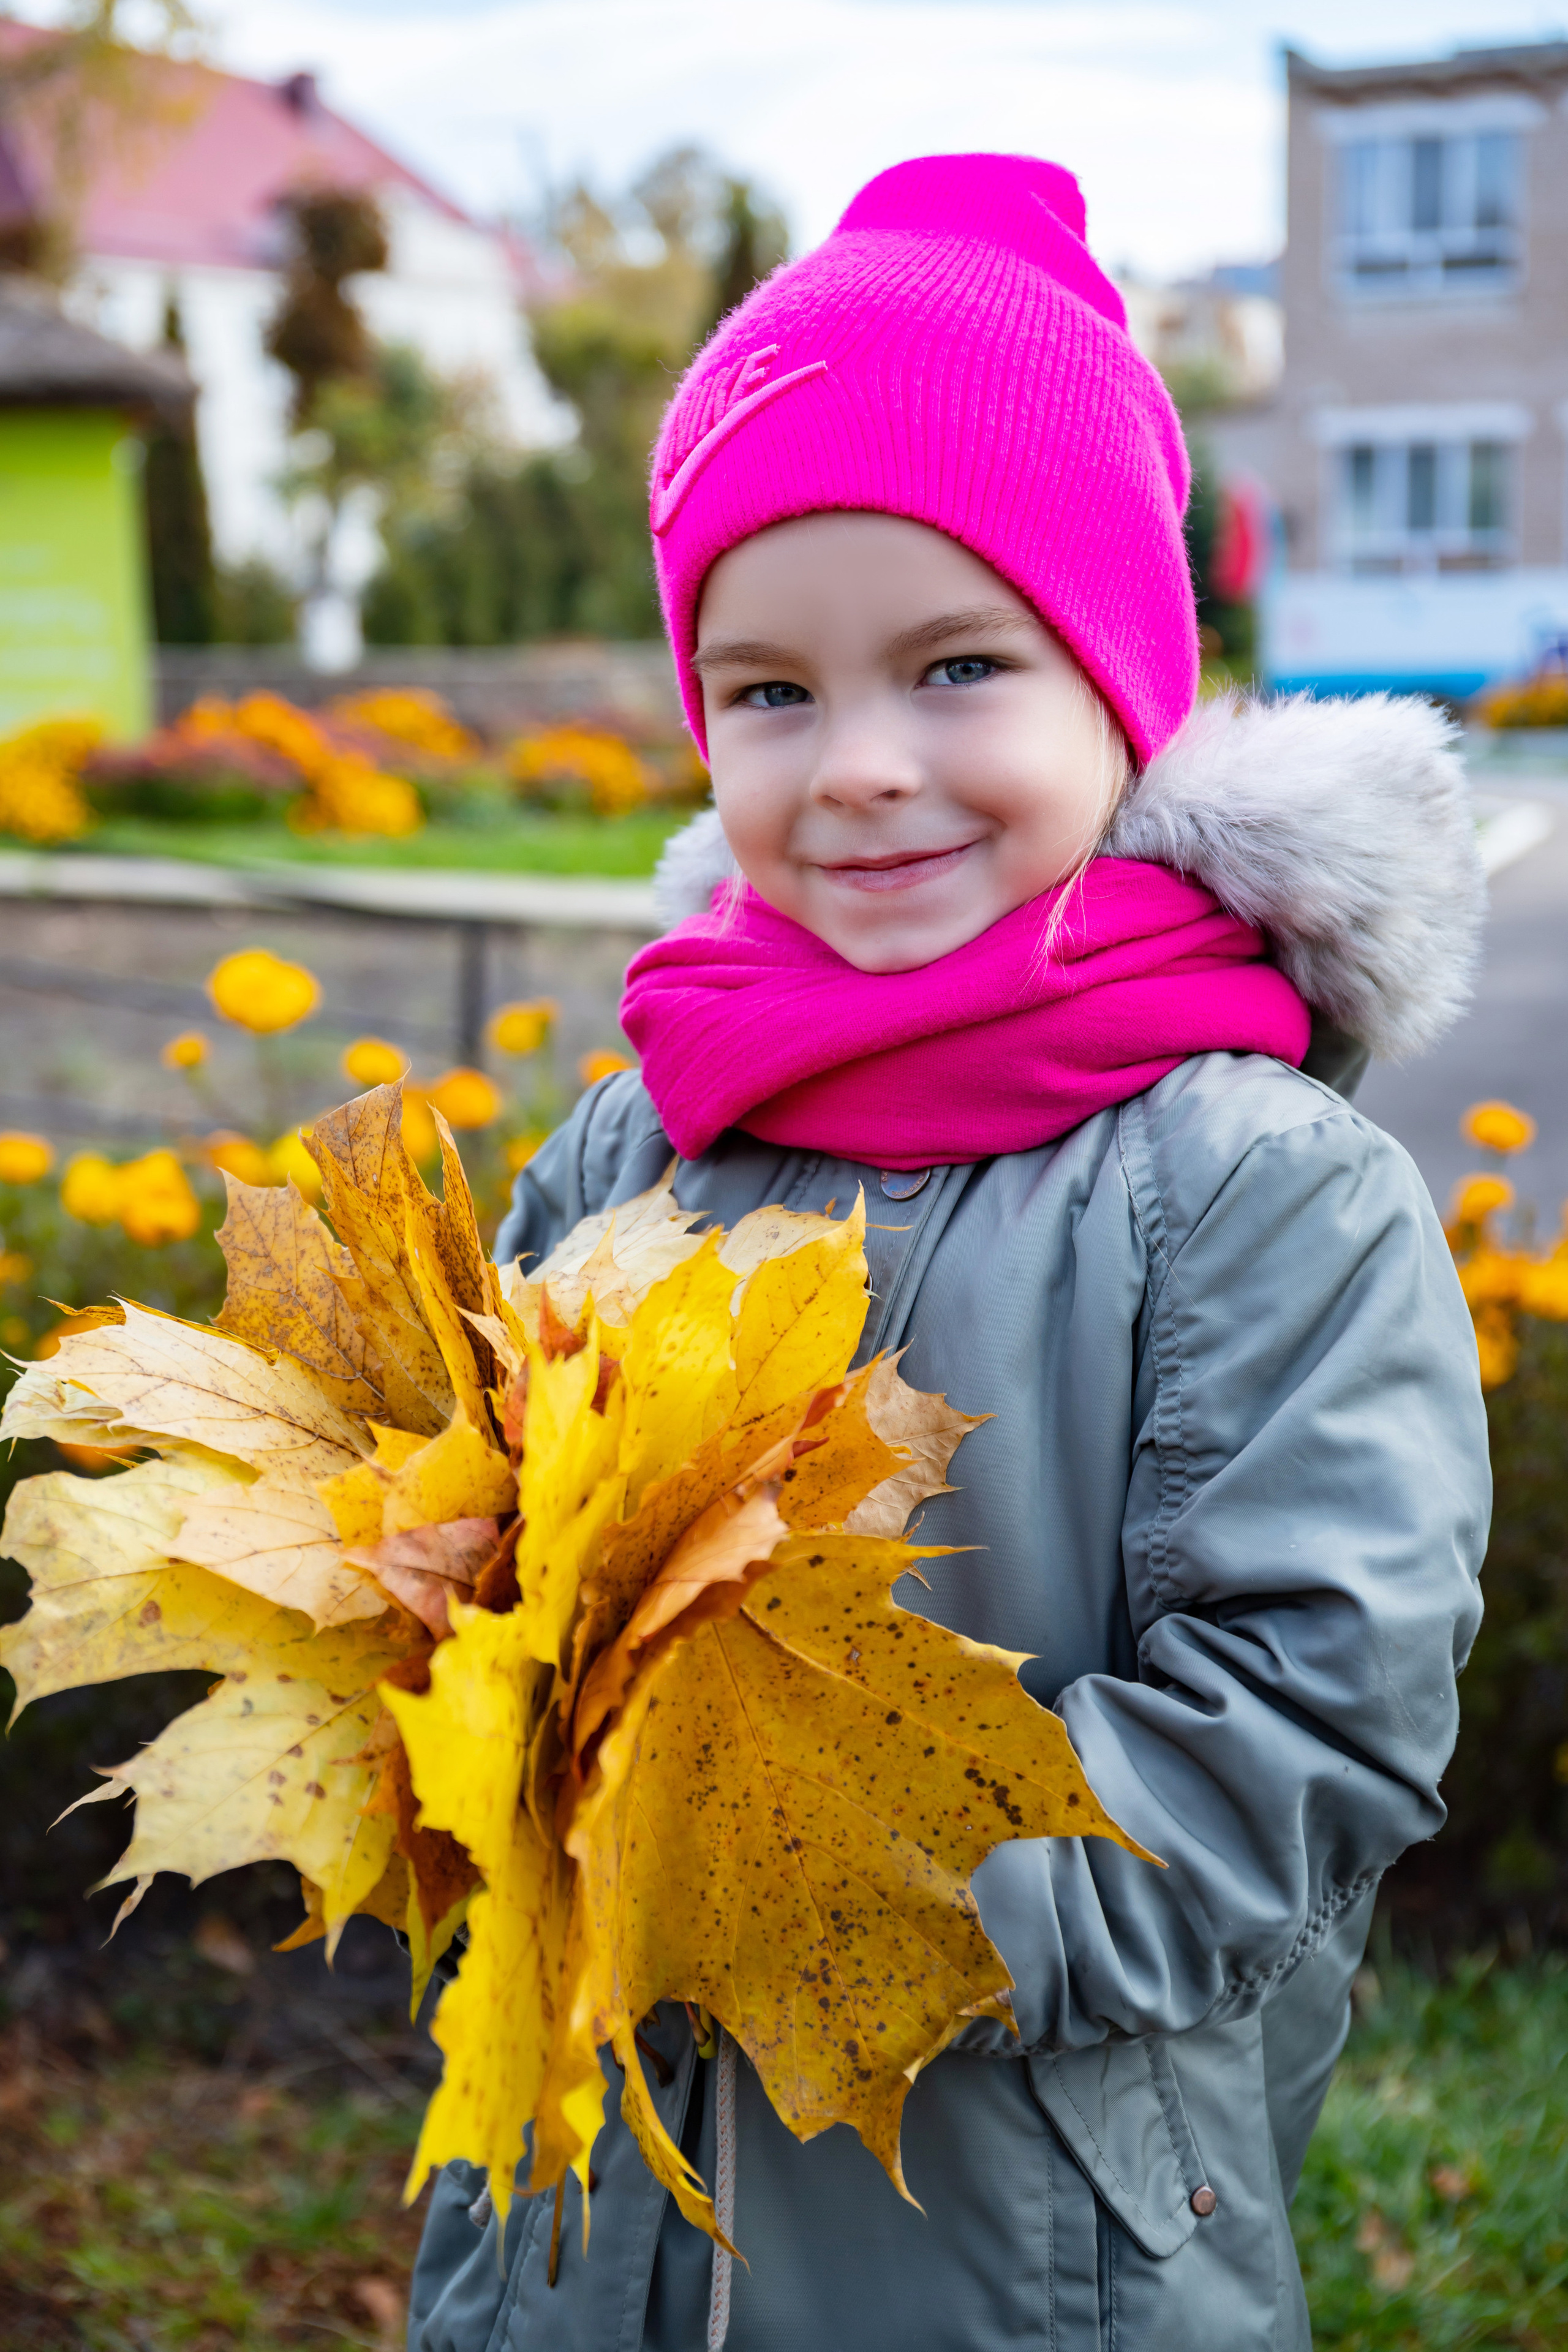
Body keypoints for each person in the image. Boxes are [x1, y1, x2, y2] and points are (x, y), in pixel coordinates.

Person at [408, 153, 1489, 2352]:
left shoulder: (1250, 1185)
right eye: (774, 690)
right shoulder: (642, 1131)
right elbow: (481, 1540)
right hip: (596, 2221)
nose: (866, 767)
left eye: (958, 664)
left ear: (1123, 684)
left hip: (1025, 2248)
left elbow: (1298, 1730)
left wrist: (834, 1898)